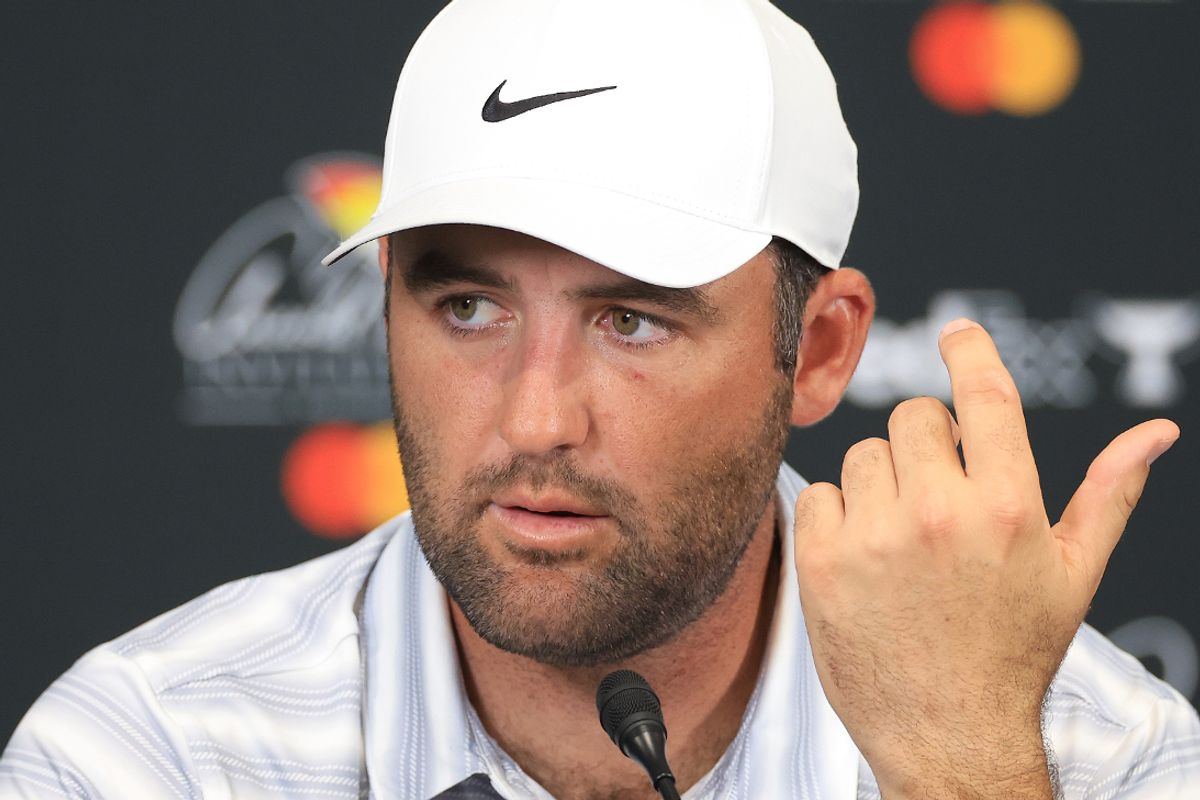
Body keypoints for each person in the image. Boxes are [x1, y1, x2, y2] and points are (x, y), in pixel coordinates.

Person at [3, 0, 1198, 798]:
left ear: (820, 349)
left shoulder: (1091, 756)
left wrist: (961, 775)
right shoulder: (160, 753)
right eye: (467, 307)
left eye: (631, 319)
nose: (534, 420)